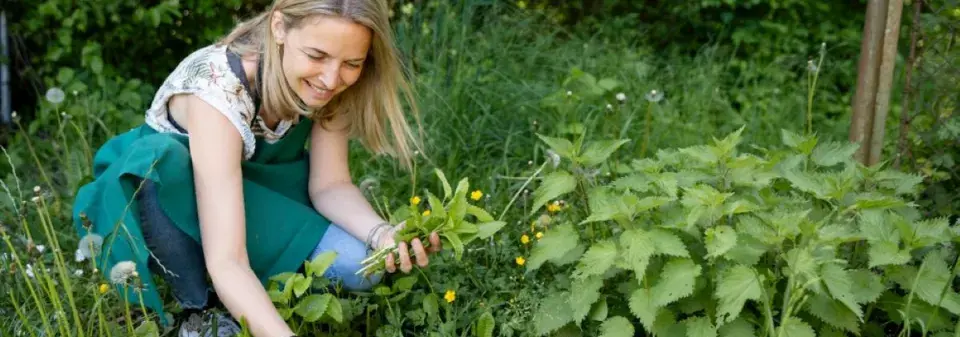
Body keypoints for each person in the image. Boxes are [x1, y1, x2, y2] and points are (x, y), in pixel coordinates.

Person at [71, 1, 441, 336]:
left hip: (257, 186)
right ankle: (201, 309)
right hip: (172, 196)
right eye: (317, 55)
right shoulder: (219, 90)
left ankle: (255, 292)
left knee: (363, 266)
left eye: (352, 64)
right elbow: (228, 260)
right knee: (161, 167)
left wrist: (382, 234)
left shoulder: (332, 80)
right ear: (279, 27)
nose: (331, 79)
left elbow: (330, 185)